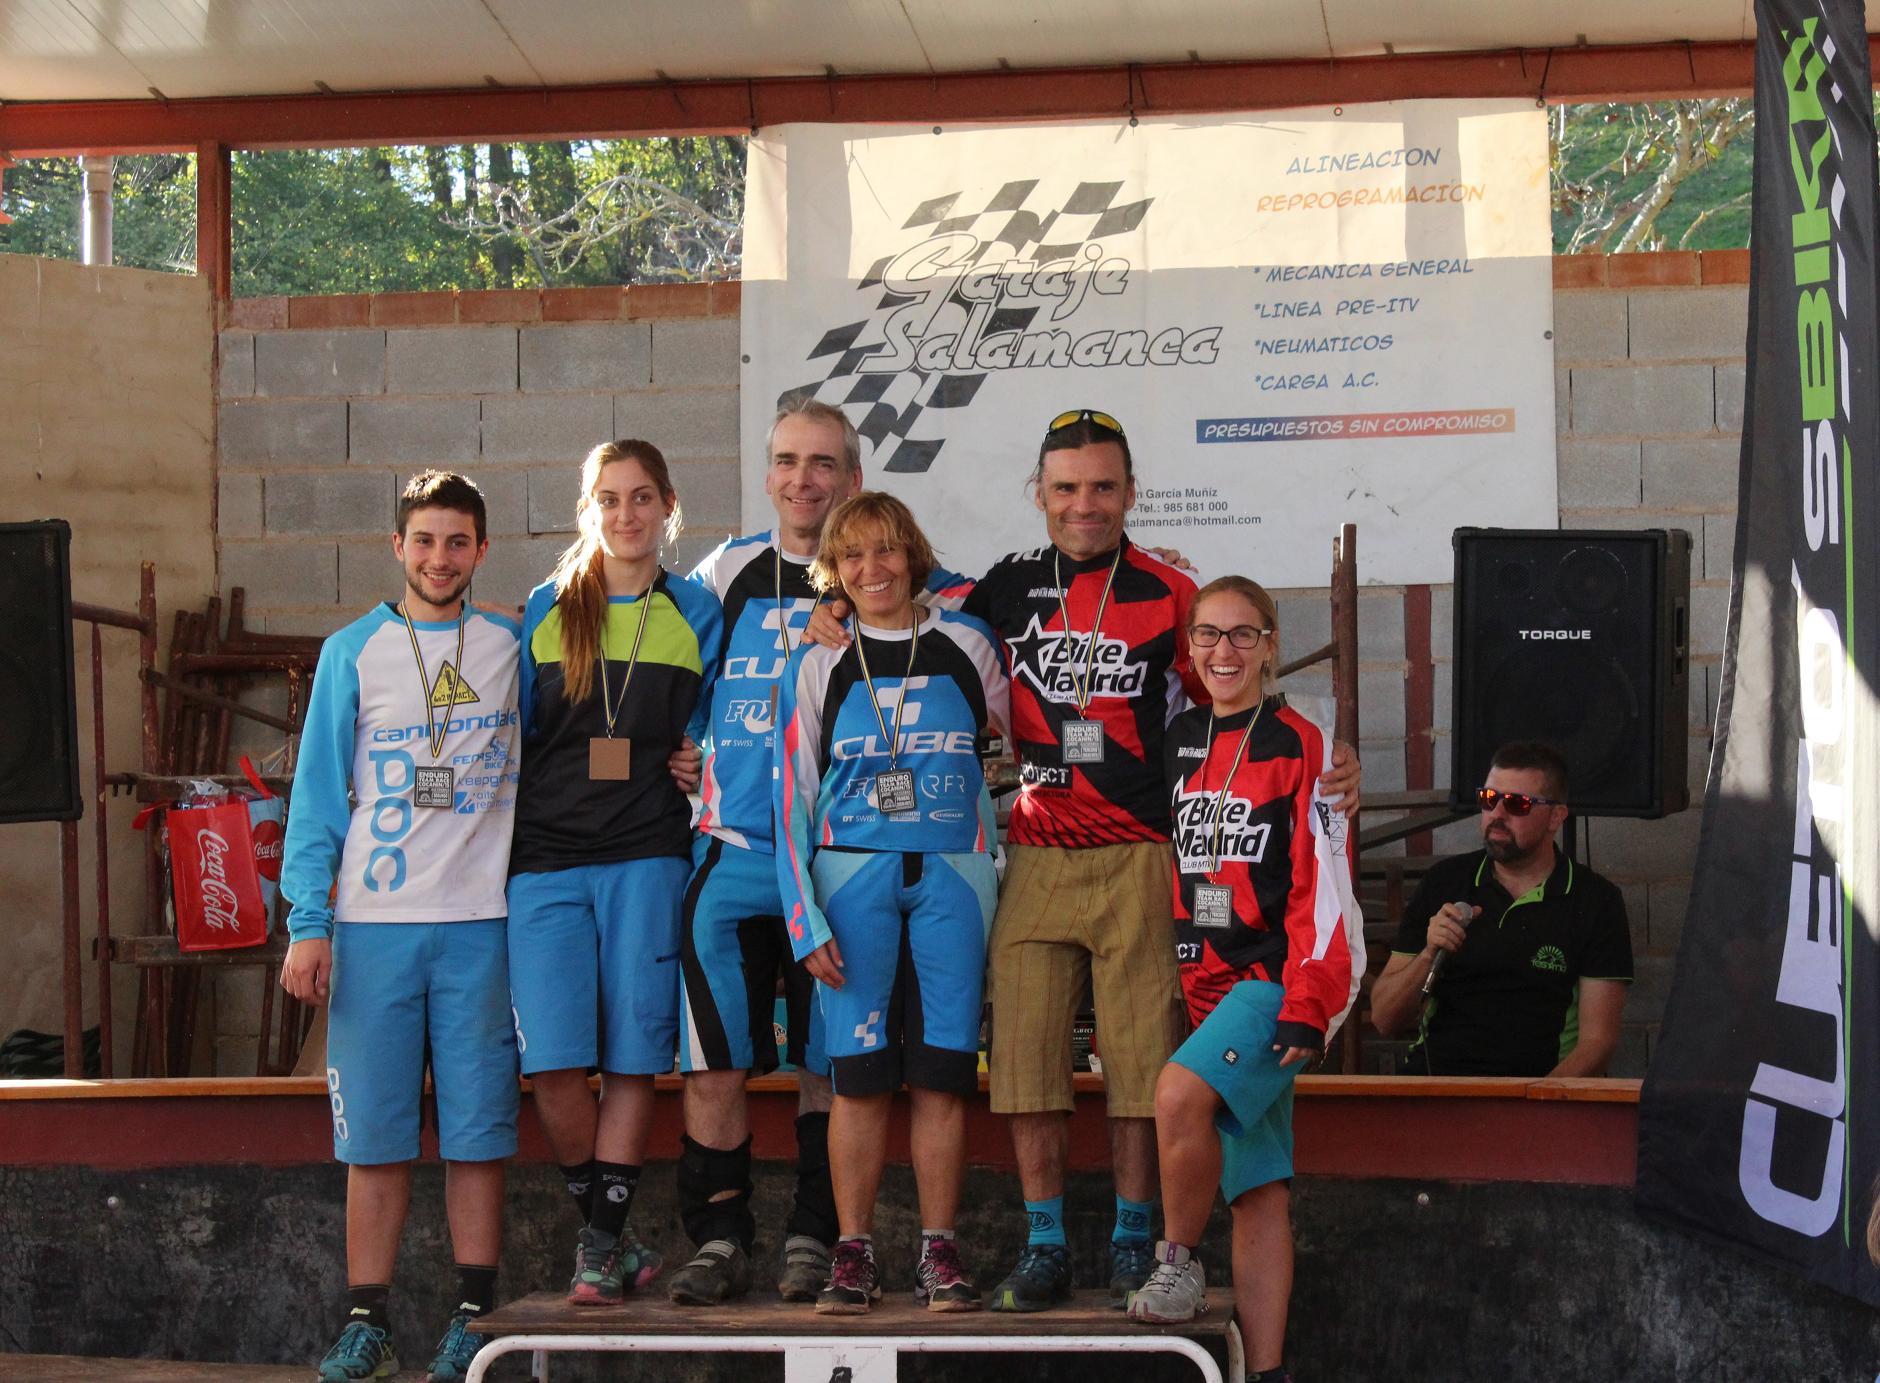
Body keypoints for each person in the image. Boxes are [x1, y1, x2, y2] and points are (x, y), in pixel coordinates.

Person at [804, 408, 1359, 1311]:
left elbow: (1236, 687)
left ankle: (1135, 1239)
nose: (1085, 504)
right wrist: (830, 605)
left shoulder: (1171, 591)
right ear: (1040, 494)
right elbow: (893, 592)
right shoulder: (1001, 586)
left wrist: (1327, 756)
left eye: (1103, 486)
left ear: (1131, 492)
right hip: (1036, 844)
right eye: (1066, 488)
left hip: (1142, 847)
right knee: (1023, 1054)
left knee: (1139, 1060)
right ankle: (1045, 1243)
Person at [671, 399, 972, 1304]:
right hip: (735, 849)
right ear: (767, 474)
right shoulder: (724, 571)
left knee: (828, 1063)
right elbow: (655, 644)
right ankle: (718, 1239)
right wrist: (679, 745)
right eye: (788, 461)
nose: (804, 479)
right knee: (714, 1058)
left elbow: (979, 622)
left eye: (824, 463)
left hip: (840, 862)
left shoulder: (897, 577)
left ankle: (816, 1237)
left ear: (854, 477)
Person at [279, 470, 522, 1383]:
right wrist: (308, 922)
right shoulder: (351, 651)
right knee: (375, 1138)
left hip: (480, 924)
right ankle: (367, 1324)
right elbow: (315, 798)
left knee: (477, 1132)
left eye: (457, 541)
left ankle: (474, 1318)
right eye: (424, 540)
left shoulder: (510, 644)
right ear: (397, 546)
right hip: (372, 925)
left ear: (482, 550)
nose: (439, 558)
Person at [774, 492, 1011, 1315]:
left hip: (953, 876)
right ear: (833, 572)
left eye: (886, 550)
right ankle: (854, 1252)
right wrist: (802, 916)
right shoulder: (817, 661)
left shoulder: (968, 643)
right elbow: (791, 797)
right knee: (860, 1079)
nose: (872, 569)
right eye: (853, 556)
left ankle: (939, 1252)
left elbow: (1022, 742)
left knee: (943, 1075)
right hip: (851, 882)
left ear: (912, 554)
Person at [1125, 576, 1363, 1383]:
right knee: (1257, 1189)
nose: (1223, 650)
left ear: (1270, 645)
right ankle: (1266, 1373)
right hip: (1208, 983)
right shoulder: (1179, 735)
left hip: (1281, 975)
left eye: (1242, 634)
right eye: (1208, 634)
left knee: (1176, 1096)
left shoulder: (1305, 744)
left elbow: (1325, 883)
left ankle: (1178, 1261)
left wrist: (1309, 1001)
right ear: (1189, 646)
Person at [507, 439, 722, 1305]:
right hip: (545, 861)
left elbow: (717, 723)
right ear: (587, 508)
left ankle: (597, 1247)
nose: (625, 514)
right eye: (609, 498)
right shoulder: (546, 606)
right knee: (554, 1065)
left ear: (668, 506)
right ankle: (614, 1236)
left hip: (646, 854)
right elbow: (515, 737)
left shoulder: (699, 609)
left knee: (633, 1057)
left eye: (641, 497)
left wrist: (699, 753)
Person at [1369, 740, 1632, 1076]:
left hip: (1534, 1091)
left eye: (1517, 804)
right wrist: (1428, 954)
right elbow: (1384, 1019)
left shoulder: (1595, 900)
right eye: (1489, 799)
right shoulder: (1444, 882)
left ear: (1555, 817)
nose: (1497, 814)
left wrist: (1534, 1101)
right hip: (1435, 1086)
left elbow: (1598, 1043)